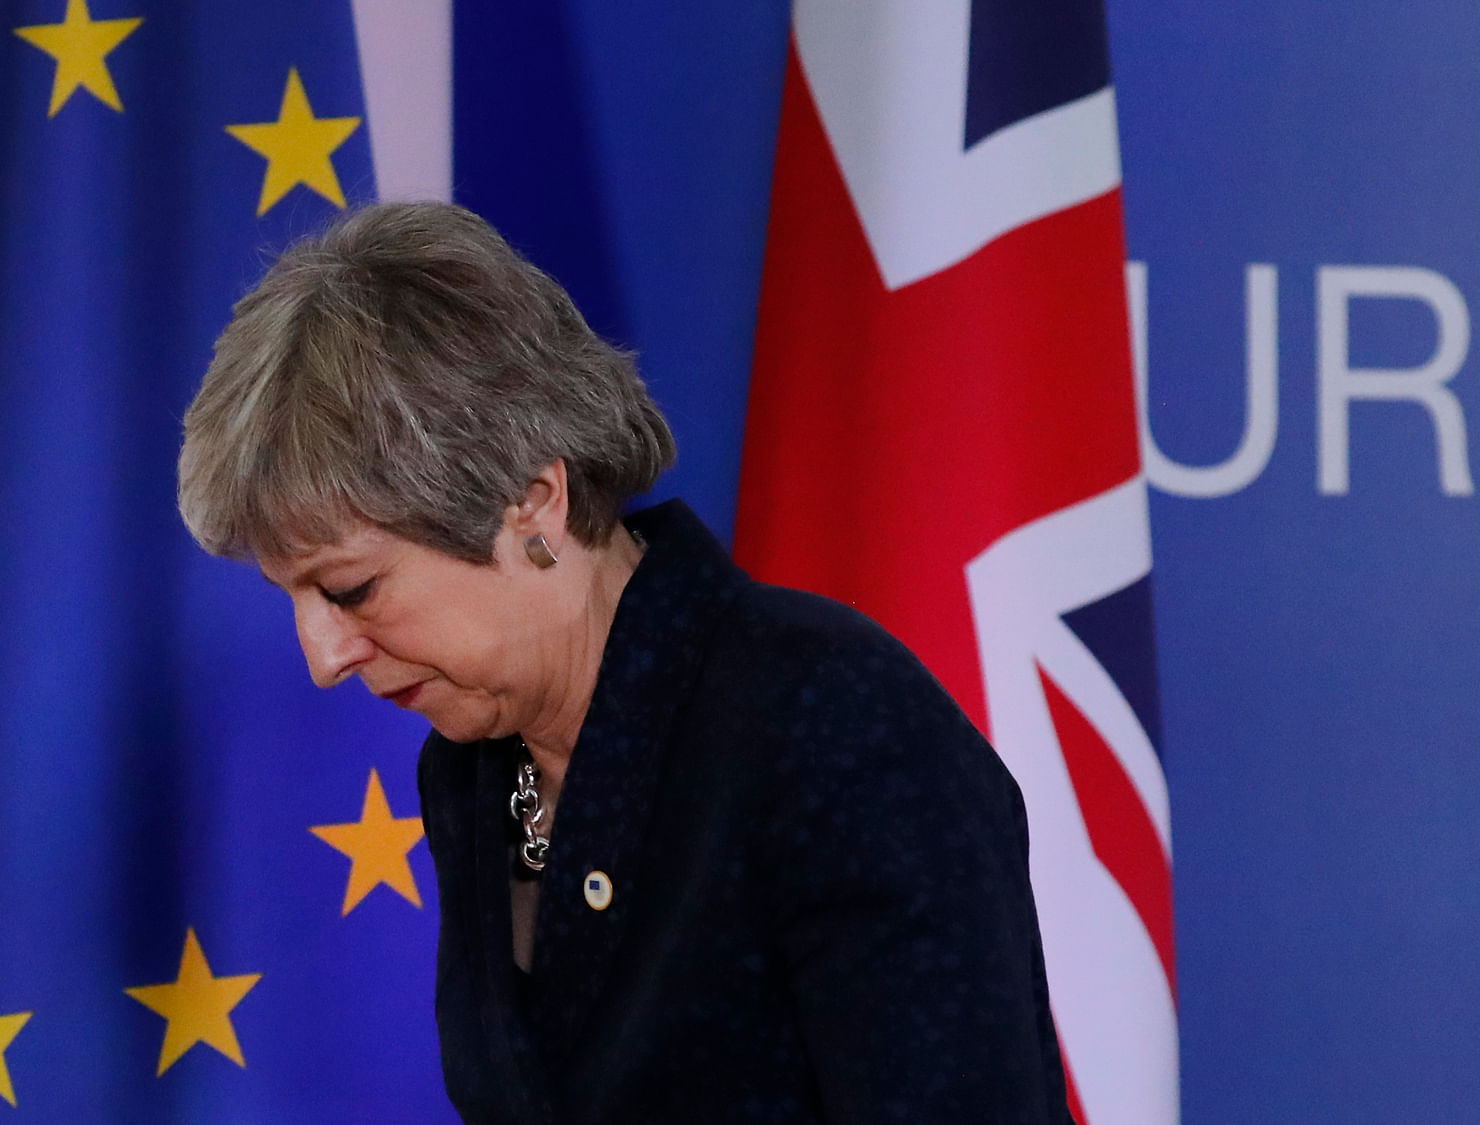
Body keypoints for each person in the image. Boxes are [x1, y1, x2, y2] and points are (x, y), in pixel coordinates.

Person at [176, 201, 1074, 1123]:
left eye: (353, 588)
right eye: (293, 597)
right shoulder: (474, 769)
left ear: (534, 503)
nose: (324, 657)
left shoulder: (832, 721)